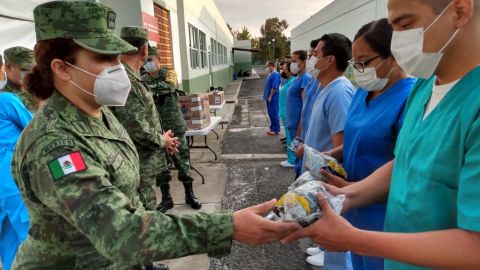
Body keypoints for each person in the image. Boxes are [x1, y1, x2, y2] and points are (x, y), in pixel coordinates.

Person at [11, 1, 300, 269]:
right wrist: (227, 227)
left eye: (116, 57)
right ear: (62, 68)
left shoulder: (98, 112)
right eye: (103, 58)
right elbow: (119, 232)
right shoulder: (54, 144)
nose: (117, 67)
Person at [282, 0, 480, 269]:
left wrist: (353, 239)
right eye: (393, 27)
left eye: (406, 24)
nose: (397, 42)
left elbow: (474, 246)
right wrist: (346, 196)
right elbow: (406, 161)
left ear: (460, 10)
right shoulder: (425, 87)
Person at [323, 19, 416, 270]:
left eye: (365, 62)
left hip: (382, 212)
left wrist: (354, 189)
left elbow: (407, 164)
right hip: (352, 206)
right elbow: (356, 138)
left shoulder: (410, 98)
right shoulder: (363, 92)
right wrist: (330, 155)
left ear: (393, 57)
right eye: (356, 63)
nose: (359, 70)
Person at [299, 33, 356, 269]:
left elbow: (341, 145)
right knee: (321, 217)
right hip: (316, 169)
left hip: (326, 174)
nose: (310, 60)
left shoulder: (339, 92)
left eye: (314, 55)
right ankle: (325, 248)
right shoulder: (327, 88)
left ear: (329, 60)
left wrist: (316, 160)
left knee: (333, 219)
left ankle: (333, 253)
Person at [110, 26, 179, 216]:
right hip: (137, 163)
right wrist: (163, 140)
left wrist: (163, 139)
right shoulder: (126, 81)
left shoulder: (131, 77)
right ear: (144, 50)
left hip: (143, 160)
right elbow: (137, 129)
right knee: (144, 217)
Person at [143, 46, 202, 213]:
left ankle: (189, 195)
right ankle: (166, 199)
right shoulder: (143, 78)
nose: (148, 64)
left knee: (183, 163)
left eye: (150, 60)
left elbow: (169, 86)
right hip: (157, 130)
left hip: (174, 126)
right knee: (161, 167)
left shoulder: (169, 73)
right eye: (146, 61)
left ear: (158, 60)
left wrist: (149, 90)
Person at [0, 92, 32, 270]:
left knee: (8, 243)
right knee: (31, 239)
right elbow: (34, 127)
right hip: (12, 183)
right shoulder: (5, 101)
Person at [286, 50, 312, 177]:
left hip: (298, 125)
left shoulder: (305, 79)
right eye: (291, 61)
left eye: (295, 61)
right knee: (297, 157)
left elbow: (305, 107)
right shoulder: (297, 78)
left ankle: (299, 182)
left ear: (304, 62)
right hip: (292, 123)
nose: (292, 64)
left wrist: (299, 132)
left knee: (300, 158)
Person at [1, 47, 37, 112]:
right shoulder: (4, 99)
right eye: (24, 69)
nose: (30, 72)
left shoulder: (40, 90)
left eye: (33, 69)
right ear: (8, 67)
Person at [279, 63, 296, 168]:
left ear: (290, 70)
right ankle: (291, 158)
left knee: (291, 137)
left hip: (289, 113)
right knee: (289, 136)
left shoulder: (293, 81)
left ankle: (292, 159)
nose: (283, 71)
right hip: (285, 113)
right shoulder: (290, 81)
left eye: (284, 69)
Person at [264, 61, 281, 135]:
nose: (266, 68)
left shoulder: (275, 74)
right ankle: (272, 127)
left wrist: (270, 96)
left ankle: (276, 129)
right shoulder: (270, 74)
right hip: (268, 96)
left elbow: (274, 86)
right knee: (271, 113)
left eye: (267, 66)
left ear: (271, 65)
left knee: (274, 112)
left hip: (273, 97)